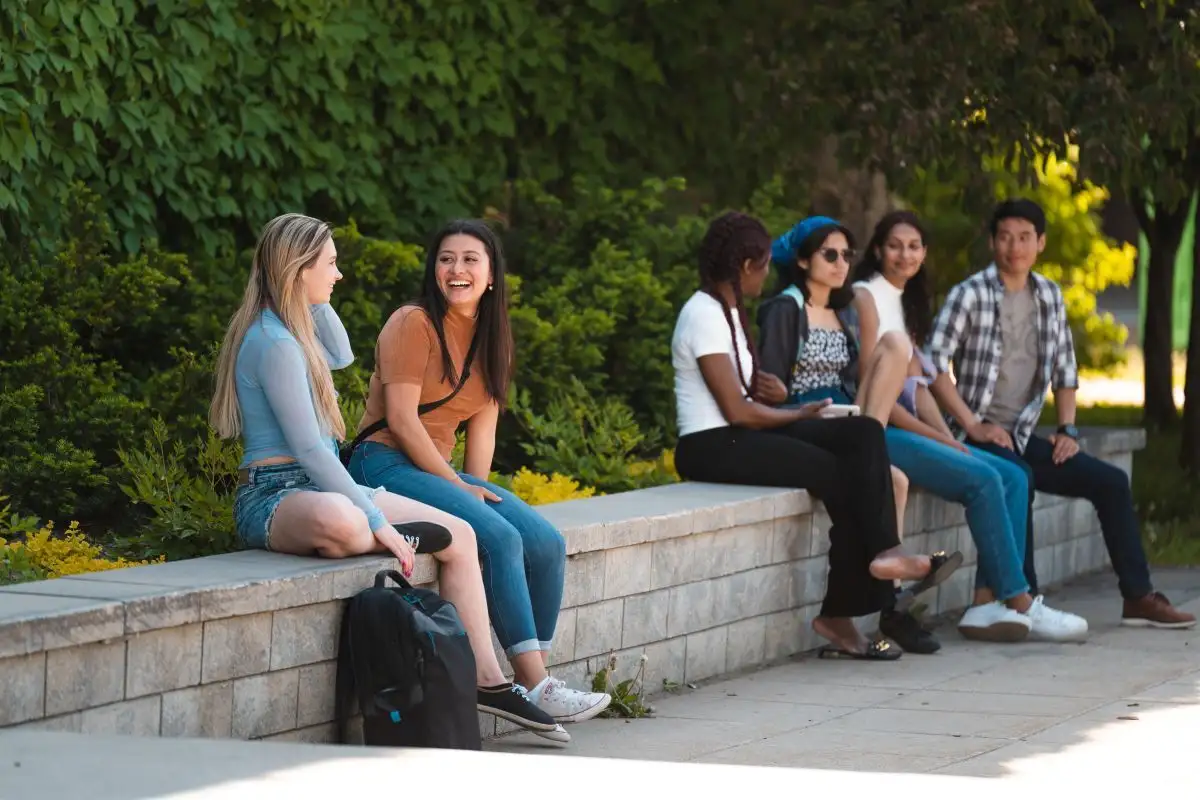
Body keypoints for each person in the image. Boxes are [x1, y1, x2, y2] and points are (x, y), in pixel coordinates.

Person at [210, 213, 568, 743]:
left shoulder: (297, 331)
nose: (339, 275)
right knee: (348, 521)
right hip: (276, 493)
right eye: (329, 265)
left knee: (464, 534)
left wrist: (312, 296)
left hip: (325, 485)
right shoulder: (275, 342)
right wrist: (377, 518)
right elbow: (310, 448)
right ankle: (374, 528)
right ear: (297, 268)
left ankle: (489, 682)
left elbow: (341, 353)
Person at [346, 219, 612, 734]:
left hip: (434, 469)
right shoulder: (412, 323)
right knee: (497, 536)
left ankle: (534, 676)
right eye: (447, 258)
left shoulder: (493, 340)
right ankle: (534, 684)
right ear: (435, 269)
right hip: (382, 461)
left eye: (471, 259)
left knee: (543, 541)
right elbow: (401, 420)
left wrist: (476, 490)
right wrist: (458, 489)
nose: (457, 269)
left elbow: (481, 441)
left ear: (491, 274)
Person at [671, 210, 962, 662]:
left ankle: (885, 553)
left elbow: (747, 397)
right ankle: (845, 611)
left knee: (863, 432)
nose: (768, 273)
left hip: (738, 433)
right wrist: (795, 413)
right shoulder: (703, 313)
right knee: (834, 470)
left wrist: (785, 401)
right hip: (710, 446)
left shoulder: (729, 311)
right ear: (747, 265)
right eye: (764, 264)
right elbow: (735, 412)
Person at [927, 198, 1195, 630]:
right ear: (993, 243)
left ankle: (1139, 597)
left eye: (1025, 238)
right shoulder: (969, 294)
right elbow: (933, 365)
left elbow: (1065, 371)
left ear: (1040, 243)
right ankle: (1024, 599)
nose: (1015, 247)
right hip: (971, 434)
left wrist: (1067, 427)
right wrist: (973, 423)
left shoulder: (1049, 296)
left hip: (1020, 435)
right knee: (1020, 477)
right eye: (1005, 237)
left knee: (1110, 482)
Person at [849, 210, 1087, 644]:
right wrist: (940, 438)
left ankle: (982, 605)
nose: (906, 255)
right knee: (984, 477)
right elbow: (875, 400)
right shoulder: (866, 297)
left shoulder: (905, 303)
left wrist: (949, 435)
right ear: (878, 250)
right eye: (896, 245)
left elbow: (919, 389)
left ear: (924, 253)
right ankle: (1020, 599)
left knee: (1013, 475)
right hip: (876, 432)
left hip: (912, 428)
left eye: (915, 246)